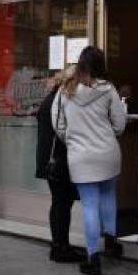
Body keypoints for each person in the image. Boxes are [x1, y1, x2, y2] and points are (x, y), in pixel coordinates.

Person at [52, 46, 127, 275]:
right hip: (107, 153)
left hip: (80, 157)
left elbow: (58, 124)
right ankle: (112, 242)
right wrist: (106, 135)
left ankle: (93, 258)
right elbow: (119, 124)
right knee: (108, 195)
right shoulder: (109, 90)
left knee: (89, 205)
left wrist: (73, 140)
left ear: (81, 64)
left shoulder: (65, 90)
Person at [35, 72, 84, 263]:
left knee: (58, 202)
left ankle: (58, 245)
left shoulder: (51, 97)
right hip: (58, 160)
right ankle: (61, 247)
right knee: (63, 203)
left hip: (49, 160)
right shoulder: (60, 99)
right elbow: (64, 130)